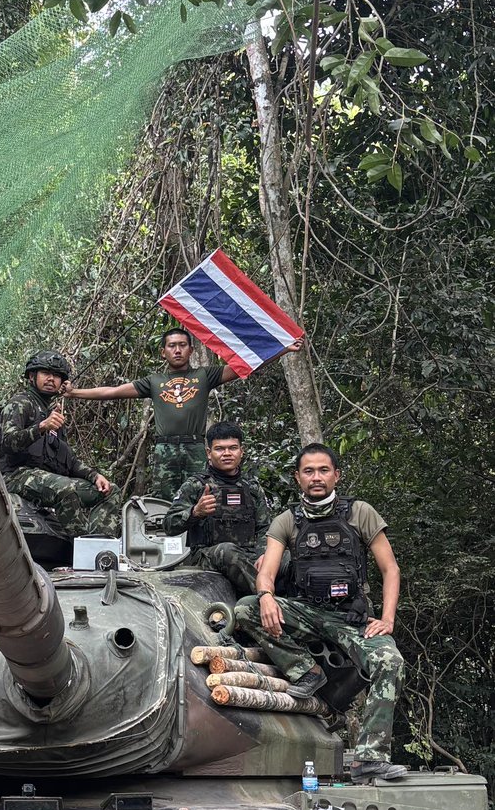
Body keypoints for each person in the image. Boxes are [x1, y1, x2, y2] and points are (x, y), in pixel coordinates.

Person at [235, 444, 407, 785]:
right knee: (246, 608)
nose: (316, 477)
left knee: (391, 663)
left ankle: (370, 759)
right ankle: (306, 671)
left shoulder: (360, 513)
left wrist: (387, 619)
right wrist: (266, 596)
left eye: (323, 470)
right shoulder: (287, 520)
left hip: (352, 619)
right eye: (309, 471)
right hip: (308, 612)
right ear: (298, 477)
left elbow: (391, 569)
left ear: (336, 475)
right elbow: (266, 571)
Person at [66, 327, 305, 500]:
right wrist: (74, 392)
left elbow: (245, 367)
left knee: (200, 495)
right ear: (163, 352)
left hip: (195, 447)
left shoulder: (204, 375)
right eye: (172, 346)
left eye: (182, 345)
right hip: (165, 448)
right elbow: (113, 391)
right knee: (164, 500)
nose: (177, 350)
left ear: (191, 350)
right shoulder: (154, 381)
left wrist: (282, 350)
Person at [0, 350, 121, 537]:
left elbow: (67, 460)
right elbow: (7, 442)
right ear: (32, 376)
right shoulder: (20, 403)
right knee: (65, 488)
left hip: (45, 479)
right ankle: (81, 546)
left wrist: (95, 476)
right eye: (45, 373)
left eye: (56, 375)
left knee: (110, 491)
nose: (51, 379)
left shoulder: (54, 414)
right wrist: (41, 427)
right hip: (14, 476)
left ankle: (100, 545)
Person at [163, 421, 272, 594]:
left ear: (241, 451)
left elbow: (265, 528)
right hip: (207, 556)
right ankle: (266, 596)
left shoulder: (252, 487)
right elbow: (169, 525)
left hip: (248, 555)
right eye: (220, 449)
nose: (227, 454)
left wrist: (263, 554)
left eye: (233, 448)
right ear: (209, 453)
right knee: (227, 551)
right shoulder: (196, 485)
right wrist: (195, 512)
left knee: (286, 557)